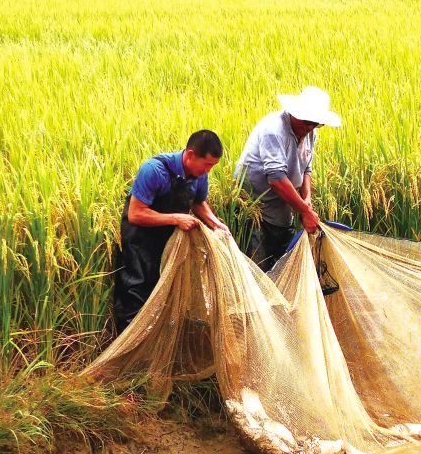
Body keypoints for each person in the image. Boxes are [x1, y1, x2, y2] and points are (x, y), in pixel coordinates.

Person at [113, 130, 230, 335]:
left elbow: (198, 203)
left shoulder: (199, 175)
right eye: (208, 164)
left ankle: (157, 342)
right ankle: (128, 346)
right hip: (141, 239)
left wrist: (215, 223)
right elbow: (135, 214)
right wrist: (176, 218)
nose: (208, 171)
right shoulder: (154, 170)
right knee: (137, 289)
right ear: (191, 155)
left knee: (166, 290)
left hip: (168, 240)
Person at [235, 86, 341, 271]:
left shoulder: (310, 133)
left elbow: (306, 169)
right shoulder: (274, 130)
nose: (309, 128)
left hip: (282, 209)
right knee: (258, 270)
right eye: (307, 122)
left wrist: (306, 203)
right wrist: (304, 210)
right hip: (255, 209)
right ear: (295, 113)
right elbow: (276, 179)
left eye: (315, 124)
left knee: (282, 269)